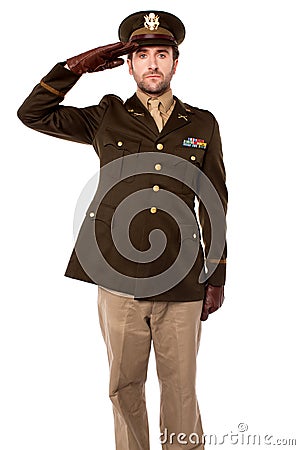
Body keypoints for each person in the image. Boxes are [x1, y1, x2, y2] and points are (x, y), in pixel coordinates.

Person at [17, 10, 228, 450]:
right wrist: (74, 67)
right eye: (142, 55)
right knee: (123, 386)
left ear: (176, 63)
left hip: (183, 275)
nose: (153, 63)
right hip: (116, 274)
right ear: (128, 65)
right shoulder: (106, 116)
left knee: (181, 389)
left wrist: (217, 273)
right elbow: (32, 114)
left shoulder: (202, 123)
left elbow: (215, 201)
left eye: (162, 54)